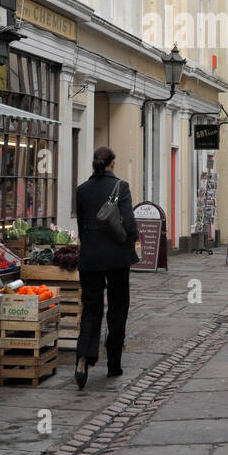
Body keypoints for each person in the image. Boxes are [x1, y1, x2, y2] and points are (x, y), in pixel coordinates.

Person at [73, 146, 139, 389]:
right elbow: (129, 224)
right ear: (112, 164)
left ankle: (83, 357)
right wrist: (131, 242)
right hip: (117, 258)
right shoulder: (120, 187)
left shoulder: (81, 190)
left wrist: (89, 245)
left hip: (90, 257)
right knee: (118, 307)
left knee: (90, 308)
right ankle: (113, 364)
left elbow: (81, 226)